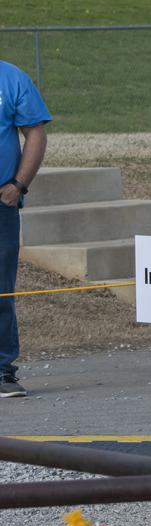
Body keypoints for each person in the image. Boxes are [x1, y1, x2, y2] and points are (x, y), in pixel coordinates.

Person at [0, 61, 50, 399]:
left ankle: (2, 370)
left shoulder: (11, 78)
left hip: (1, 204)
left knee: (1, 289)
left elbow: (35, 132)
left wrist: (18, 185)